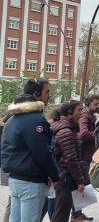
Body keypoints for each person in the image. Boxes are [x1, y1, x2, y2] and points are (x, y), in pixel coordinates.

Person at [1, 78, 60, 222]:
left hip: (15, 179)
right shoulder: (35, 119)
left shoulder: (12, 119)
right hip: (31, 182)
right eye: (47, 92)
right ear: (36, 94)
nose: (49, 95)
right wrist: (55, 177)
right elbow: (43, 152)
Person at [51, 100, 86, 222]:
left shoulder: (68, 129)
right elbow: (71, 158)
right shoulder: (66, 131)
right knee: (61, 214)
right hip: (64, 177)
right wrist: (79, 181)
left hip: (63, 175)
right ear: (69, 112)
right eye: (79, 110)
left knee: (61, 212)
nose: (81, 113)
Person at [76, 94, 99, 221]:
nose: (97, 106)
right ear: (89, 103)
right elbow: (83, 133)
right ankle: (76, 214)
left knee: (84, 185)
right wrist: (98, 133)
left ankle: (78, 213)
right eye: (95, 104)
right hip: (84, 155)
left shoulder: (89, 116)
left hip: (88, 154)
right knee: (81, 186)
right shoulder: (85, 116)